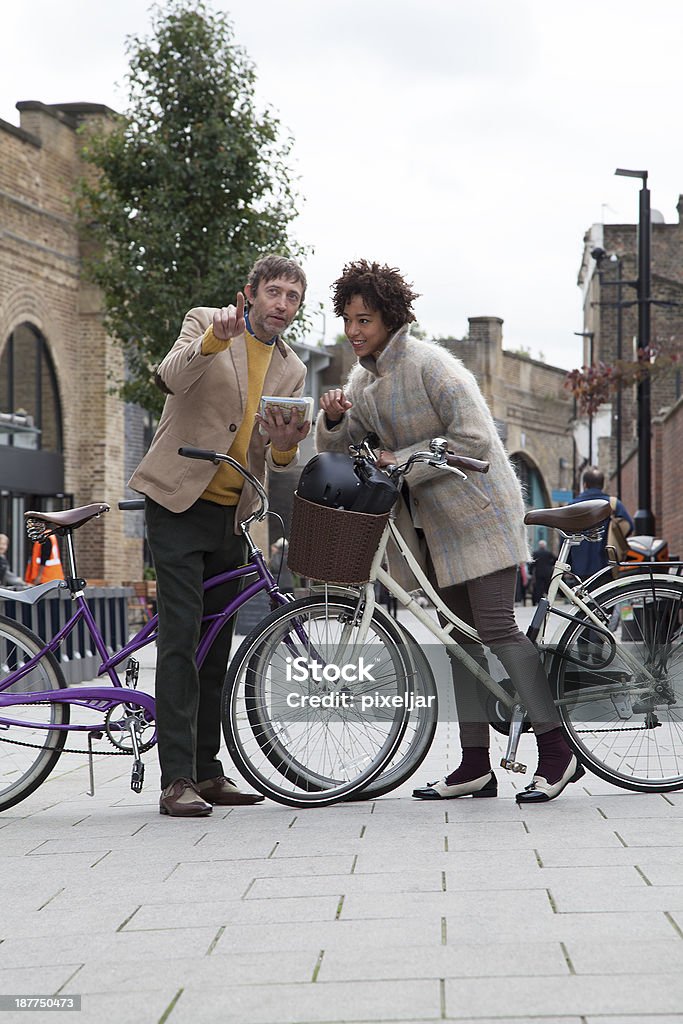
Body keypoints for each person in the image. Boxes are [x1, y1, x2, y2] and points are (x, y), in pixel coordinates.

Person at [317, 259, 582, 804]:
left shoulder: (433, 366)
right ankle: (474, 765)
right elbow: (345, 452)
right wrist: (338, 420)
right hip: (432, 526)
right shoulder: (362, 382)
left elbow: (476, 439)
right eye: (347, 320)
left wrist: (406, 457)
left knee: (495, 627)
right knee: (458, 639)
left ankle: (557, 752)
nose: (354, 331)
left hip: (479, 511)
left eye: (364, 319)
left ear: (390, 318)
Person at [129, 254, 310, 817]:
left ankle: (207, 773)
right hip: (178, 501)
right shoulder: (205, 320)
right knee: (181, 640)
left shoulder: (293, 369)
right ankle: (175, 779)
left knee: (215, 646)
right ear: (249, 294)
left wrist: (284, 442)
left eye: (293, 298)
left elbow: (279, 459)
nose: (282, 304)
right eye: (274, 292)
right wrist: (212, 340)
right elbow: (169, 376)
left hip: (233, 512)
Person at [568, 466, 634, 579]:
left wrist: (568, 563)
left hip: (579, 567)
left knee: (581, 596)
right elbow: (629, 527)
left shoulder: (572, 506)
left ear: (585, 485)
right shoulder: (613, 504)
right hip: (606, 565)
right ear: (602, 485)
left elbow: (565, 536)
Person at [530, 539, 556, 604]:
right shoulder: (548, 553)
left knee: (539, 586)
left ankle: (538, 600)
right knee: (547, 586)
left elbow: (532, 563)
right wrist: (550, 564)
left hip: (538, 572)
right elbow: (555, 559)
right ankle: (549, 599)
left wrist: (530, 571)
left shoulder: (535, 553)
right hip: (547, 572)